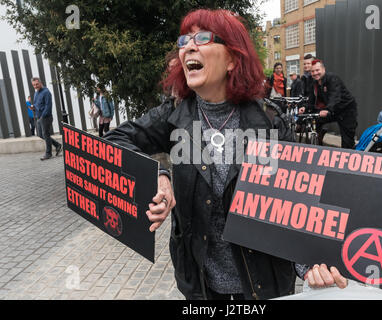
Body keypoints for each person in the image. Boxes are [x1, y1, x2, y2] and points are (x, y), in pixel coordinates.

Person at [104, 9, 347, 300]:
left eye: (203, 38)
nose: (189, 46)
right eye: (185, 40)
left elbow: (296, 203)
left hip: (263, 285)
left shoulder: (270, 121)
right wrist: (158, 175)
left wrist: (309, 264)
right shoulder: (173, 115)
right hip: (202, 287)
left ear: (232, 59)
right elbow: (113, 141)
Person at [301, 59, 358, 149]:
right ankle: (318, 140)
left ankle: (349, 154)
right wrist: (305, 107)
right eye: (312, 71)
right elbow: (311, 98)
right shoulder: (314, 82)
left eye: (317, 70)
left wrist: (327, 110)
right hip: (332, 109)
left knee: (347, 140)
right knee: (315, 119)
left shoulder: (332, 78)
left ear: (323, 69)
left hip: (346, 110)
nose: (315, 73)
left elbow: (335, 96)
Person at [32, 77, 62, 160]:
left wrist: (42, 116)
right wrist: (33, 107)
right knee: (41, 134)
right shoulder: (36, 93)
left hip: (46, 117)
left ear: (40, 83)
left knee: (46, 134)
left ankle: (48, 154)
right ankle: (57, 145)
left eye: (37, 84)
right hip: (39, 117)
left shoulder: (46, 92)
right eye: (34, 85)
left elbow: (48, 106)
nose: (35, 86)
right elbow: (37, 105)